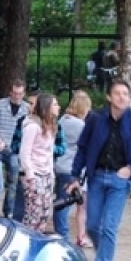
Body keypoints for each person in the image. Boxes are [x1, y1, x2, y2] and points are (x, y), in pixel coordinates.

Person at [69, 79, 131, 261]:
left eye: (125, 94)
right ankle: (104, 253)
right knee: (91, 225)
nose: (122, 97)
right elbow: (83, 148)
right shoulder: (95, 119)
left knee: (109, 225)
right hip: (97, 176)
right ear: (109, 97)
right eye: (117, 93)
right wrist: (75, 176)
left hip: (120, 179)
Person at [18, 91, 60, 233]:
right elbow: (25, 153)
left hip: (46, 174)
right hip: (34, 174)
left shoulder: (50, 127)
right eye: (55, 104)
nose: (58, 107)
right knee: (34, 213)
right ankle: (26, 239)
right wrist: (30, 175)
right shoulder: (32, 126)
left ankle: (38, 239)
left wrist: (51, 174)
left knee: (45, 213)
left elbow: (49, 154)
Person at [0, 80, 29, 218]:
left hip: (14, 149)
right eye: (14, 93)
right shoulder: (1, 104)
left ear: (23, 93)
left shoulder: (27, 108)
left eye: (19, 93)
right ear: (10, 92)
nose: (16, 96)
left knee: (13, 180)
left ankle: (8, 211)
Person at [55, 91, 91, 238]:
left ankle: (62, 233)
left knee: (61, 201)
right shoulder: (81, 126)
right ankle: (62, 235)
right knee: (64, 205)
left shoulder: (62, 120)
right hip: (71, 167)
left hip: (59, 165)